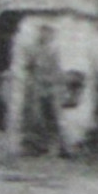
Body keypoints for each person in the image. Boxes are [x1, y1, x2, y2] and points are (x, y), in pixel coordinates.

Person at [23, 22, 69, 158]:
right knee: (38, 117)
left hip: (52, 88)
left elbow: (58, 71)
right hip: (39, 87)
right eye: (44, 32)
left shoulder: (55, 51)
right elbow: (29, 67)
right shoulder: (33, 49)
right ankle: (41, 147)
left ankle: (62, 148)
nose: (46, 36)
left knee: (56, 118)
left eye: (49, 33)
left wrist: (59, 85)